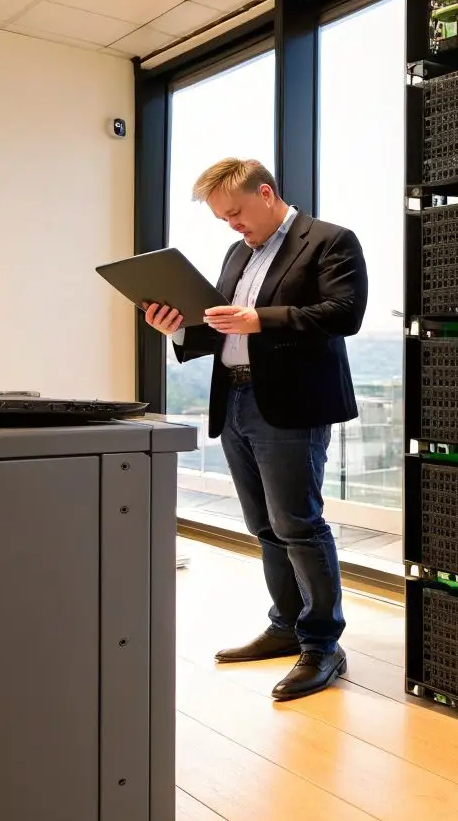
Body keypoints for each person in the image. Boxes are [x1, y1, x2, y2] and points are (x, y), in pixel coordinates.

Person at [143, 158, 366, 701]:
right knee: (264, 525)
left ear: (265, 193)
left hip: (292, 403)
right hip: (237, 398)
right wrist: (176, 329)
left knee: (298, 524)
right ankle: (286, 625)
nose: (232, 225)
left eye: (235, 212)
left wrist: (260, 319)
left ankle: (322, 645)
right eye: (223, 218)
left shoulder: (329, 240)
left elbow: (344, 313)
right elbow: (220, 328)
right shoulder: (236, 253)